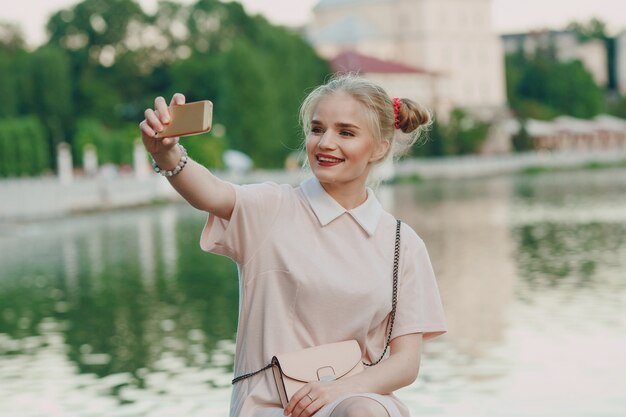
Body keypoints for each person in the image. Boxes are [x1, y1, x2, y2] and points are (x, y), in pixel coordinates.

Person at [139, 74, 446, 417]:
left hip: (356, 398)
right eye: (317, 129)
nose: (326, 142)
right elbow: (210, 192)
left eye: (345, 132)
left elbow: (406, 364)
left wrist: (339, 389)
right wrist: (167, 154)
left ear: (379, 147)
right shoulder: (271, 208)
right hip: (272, 406)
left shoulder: (403, 245)